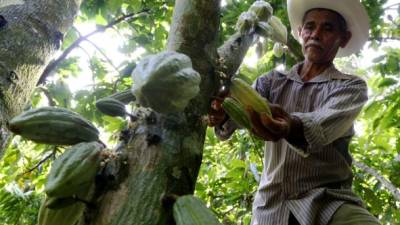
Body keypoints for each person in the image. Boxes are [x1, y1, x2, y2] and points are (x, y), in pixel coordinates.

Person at [208, 0, 382, 224]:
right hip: (272, 206)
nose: (316, 34)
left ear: (344, 38)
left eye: (328, 28)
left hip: (327, 202)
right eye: (310, 27)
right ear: (300, 33)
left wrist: (290, 126)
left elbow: (320, 126)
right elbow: (234, 115)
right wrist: (222, 112)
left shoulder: (349, 86)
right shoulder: (271, 82)